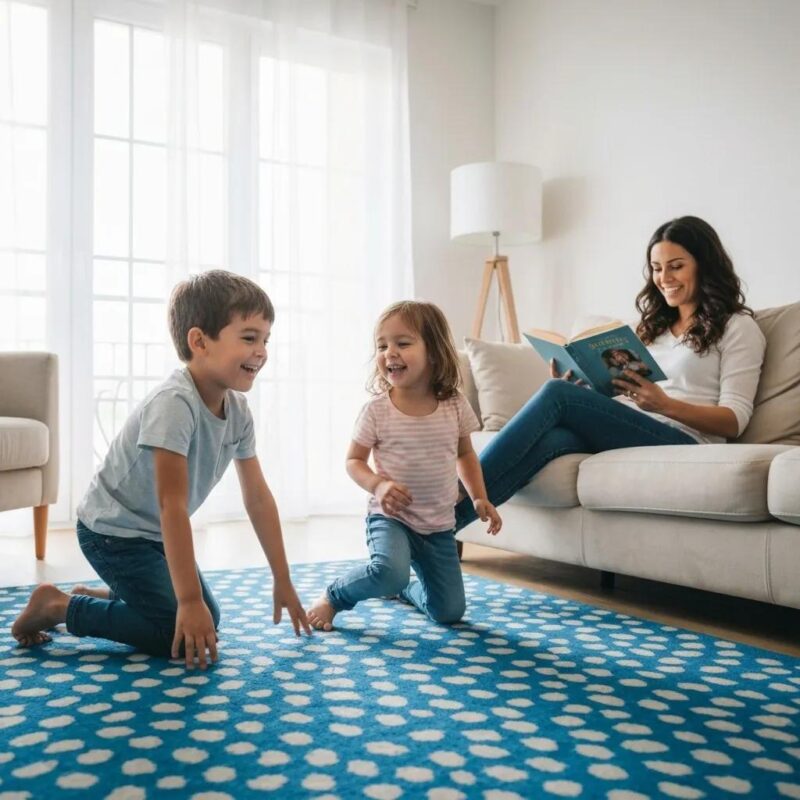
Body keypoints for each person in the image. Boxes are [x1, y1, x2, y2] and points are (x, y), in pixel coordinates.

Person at [12, 270, 311, 667]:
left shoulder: (238, 411)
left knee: (209, 619)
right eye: (249, 337)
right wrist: (187, 601)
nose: (262, 351)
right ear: (200, 341)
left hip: (154, 534)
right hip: (112, 533)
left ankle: (109, 597)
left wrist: (283, 578)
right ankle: (58, 606)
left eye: (266, 340)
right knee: (175, 626)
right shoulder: (174, 404)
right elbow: (172, 504)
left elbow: (257, 498)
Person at [453, 215, 766, 533]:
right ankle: (440, 531)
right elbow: (618, 392)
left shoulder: (737, 327)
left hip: (686, 439)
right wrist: (580, 381)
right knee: (552, 439)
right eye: (657, 268)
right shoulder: (650, 328)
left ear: (704, 265)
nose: (664, 277)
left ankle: (452, 496)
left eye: (676, 266)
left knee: (555, 394)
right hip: (633, 428)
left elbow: (735, 420)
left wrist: (664, 405)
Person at [307, 301, 502, 631]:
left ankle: (406, 591)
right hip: (390, 519)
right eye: (382, 345)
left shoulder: (454, 404)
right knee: (387, 571)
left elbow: (465, 455)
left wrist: (479, 496)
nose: (389, 353)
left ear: (434, 351)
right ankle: (334, 596)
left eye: (403, 343)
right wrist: (378, 485)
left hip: (438, 525)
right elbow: (353, 460)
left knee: (449, 612)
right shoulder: (377, 411)